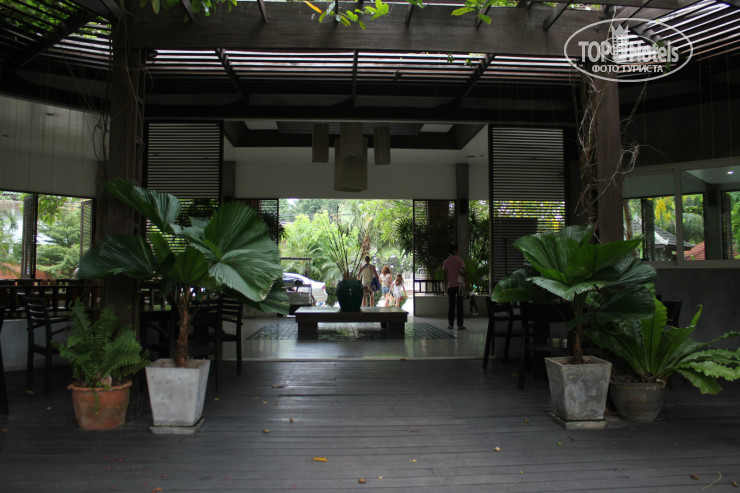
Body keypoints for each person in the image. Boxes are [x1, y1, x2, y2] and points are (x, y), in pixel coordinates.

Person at [442, 244, 466, 330]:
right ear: (455, 251)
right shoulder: (460, 260)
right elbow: (464, 273)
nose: (459, 251)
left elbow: (445, 276)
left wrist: (445, 286)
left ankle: (451, 324)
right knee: (460, 305)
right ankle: (460, 325)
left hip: (451, 286)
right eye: (458, 250)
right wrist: (467, 284)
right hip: (459, 286)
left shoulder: (446, 262)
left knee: (451, 305)